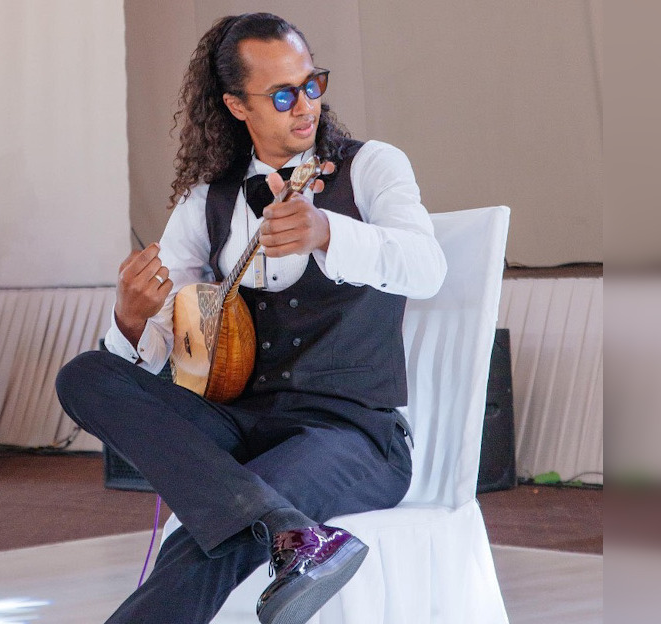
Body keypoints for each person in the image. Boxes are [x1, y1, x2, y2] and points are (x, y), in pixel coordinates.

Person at [56, 12, 446, 624]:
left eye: (312, 84)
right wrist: (130, 321)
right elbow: (165, 347)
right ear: (237, 106)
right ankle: (290, 529)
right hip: (238, 426)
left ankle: (273, 522)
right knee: (86, 375)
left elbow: (427, 268)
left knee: (217, 531)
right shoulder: (205, 203)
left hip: (350, 436)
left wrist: (328, 232)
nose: (306, 105)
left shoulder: (372, 167)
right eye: (282, 94)